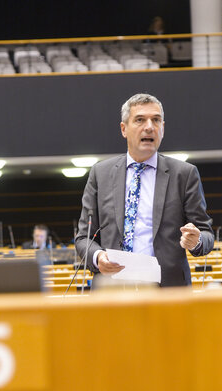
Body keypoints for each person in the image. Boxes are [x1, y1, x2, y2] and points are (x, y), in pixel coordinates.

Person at [75, 93, 214, 287]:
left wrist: (196, 241)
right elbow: (83, 238)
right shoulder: (101, 173)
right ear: (124, 129)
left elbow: (206, 233)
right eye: (140, 120)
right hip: (112, 288)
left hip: (166, 290)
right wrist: (98, 257)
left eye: (156, 120)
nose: (149, 126)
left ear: (162, 129)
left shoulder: (184, 174)